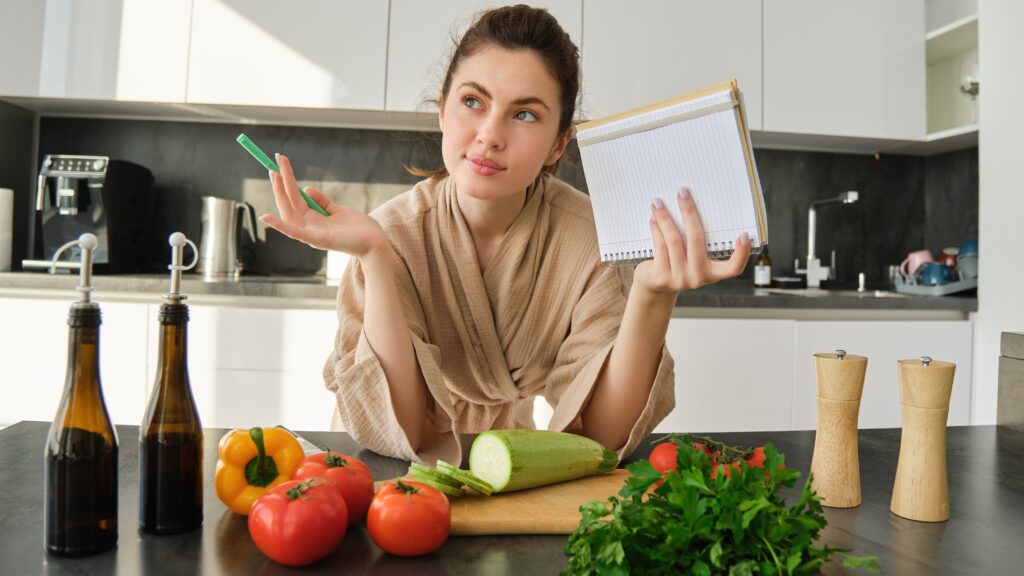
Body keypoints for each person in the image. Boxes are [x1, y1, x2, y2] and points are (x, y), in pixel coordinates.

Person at [261, 5, 750, 464]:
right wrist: (373, 255)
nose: (490, 134)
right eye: (473, 101)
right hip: (385, 468)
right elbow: (404, 430)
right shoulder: (390, 233)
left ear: (560, 142)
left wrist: (652, 296)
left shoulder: (590, 241)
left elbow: (599, 438)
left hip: (509, 453)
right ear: (442, 111)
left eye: (525, 114)